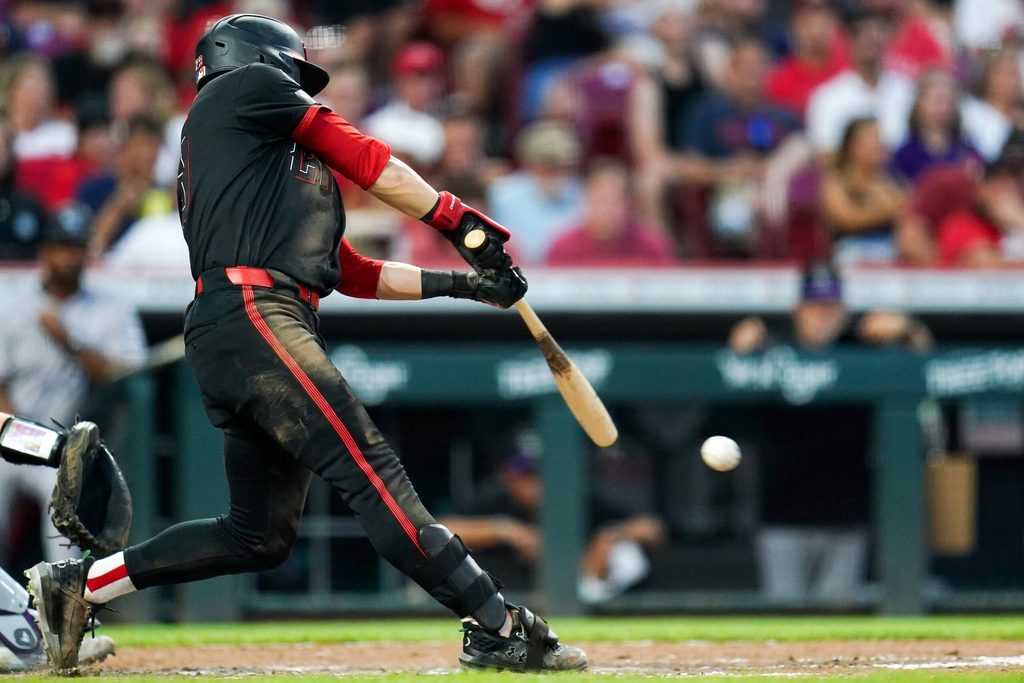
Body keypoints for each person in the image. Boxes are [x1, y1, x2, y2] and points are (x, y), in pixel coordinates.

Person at [26, 15, 585, 674]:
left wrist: (466, 284)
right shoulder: (236, 92)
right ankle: (496, 623)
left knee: (256, 533)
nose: (298, 86)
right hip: (253, 313)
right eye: (292, 72)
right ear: (252, 59)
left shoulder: (275, 165)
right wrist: (455, 218)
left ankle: (77, 587)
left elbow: (352, 271)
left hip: (253, 325)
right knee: (372, 469)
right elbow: (368, 157)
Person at [728, 263, 931, 603]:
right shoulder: (774, 351)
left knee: (837, 613)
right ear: (798, 309)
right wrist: (738, 354)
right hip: (782, 514)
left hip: (845, 515)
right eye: (814, 306)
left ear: (844, 310)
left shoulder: (862, 348)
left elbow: (926, 366)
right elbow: (733, 398)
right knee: (783, 614)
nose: (822, 315)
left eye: (830, 307)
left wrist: (909, 329)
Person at [0, 204, 146, 566]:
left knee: (61, 511)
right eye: (62, 247)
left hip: (68, 446)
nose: (70, 257)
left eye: (76, 248)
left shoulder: (110, 309)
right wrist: (20, 432)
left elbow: (130, 375)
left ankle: (62, 607)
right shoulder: (12, 305)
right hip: (12, 436)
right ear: (45, 253)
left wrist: (71, 343)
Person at [441, 449, 667, 604]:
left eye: (540, 475)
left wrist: (611, 535)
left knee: (624, 552)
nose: (535, 484)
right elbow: (440, 530)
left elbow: (653, 527)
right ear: (509, 477)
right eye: (526, 476)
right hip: (503, 595)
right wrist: (506, 530)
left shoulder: (580, 496)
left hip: (582, 588)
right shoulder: (494, 498)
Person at [806, 8, 914, 156]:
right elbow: (826, 153)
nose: (870, 40)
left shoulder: (906, 90)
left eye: (877, 34)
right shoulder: (828, 97)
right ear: (849, 42)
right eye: (862, 35)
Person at [488, 120, 584, 265]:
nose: (557, 172)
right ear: (531, 163)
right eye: (549, 164)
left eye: (563, 166)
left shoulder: (581, 195)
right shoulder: (502, 194)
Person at [545, 160, 678, 265]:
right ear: (586, 201)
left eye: (614, 201)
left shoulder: (651, 246)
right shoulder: (563, 247)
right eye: (599, 200)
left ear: (628, 204)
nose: (606, 209)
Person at [821, 117, 905, 264]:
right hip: (851, 251)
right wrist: (885, 210)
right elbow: (846, 218)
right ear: (852, 146)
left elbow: (904, 211)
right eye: (871, 140)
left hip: (890, 250)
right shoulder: (837, 182)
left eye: (879, 139)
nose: (879, 145)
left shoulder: (889, 181)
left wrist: (879, 191)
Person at [889, 70, 980, 183]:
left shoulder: (966, 151)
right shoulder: (904, 155)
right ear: (919, 103)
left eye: (949, 101)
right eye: (938, 100)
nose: (944, 107)